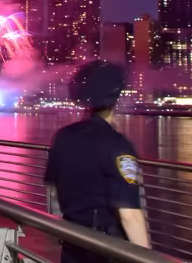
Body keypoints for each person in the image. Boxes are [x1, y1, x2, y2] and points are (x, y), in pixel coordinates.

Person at [44, 61, 151, 262]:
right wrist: (147, 258)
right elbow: (130, 216)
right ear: (115, 99)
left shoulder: (63, 137)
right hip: (105, 251)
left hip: (72, 243)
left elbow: (53, 189)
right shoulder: (118, 146)